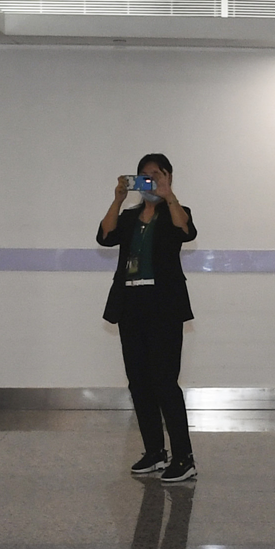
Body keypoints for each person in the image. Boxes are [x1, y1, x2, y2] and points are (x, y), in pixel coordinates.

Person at [99, 153, 197, 483]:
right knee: (138, 382)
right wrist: (118, 198)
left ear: (168, 177)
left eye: (156, 174)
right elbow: (104, 235)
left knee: (164, 382)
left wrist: (169, 196)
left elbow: (187, 230)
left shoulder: (174, 214)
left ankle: (184, 457)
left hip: (164, 307)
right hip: (131, 306)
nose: (150, 180)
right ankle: (155, 451)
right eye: (144, 175)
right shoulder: (129, 217)